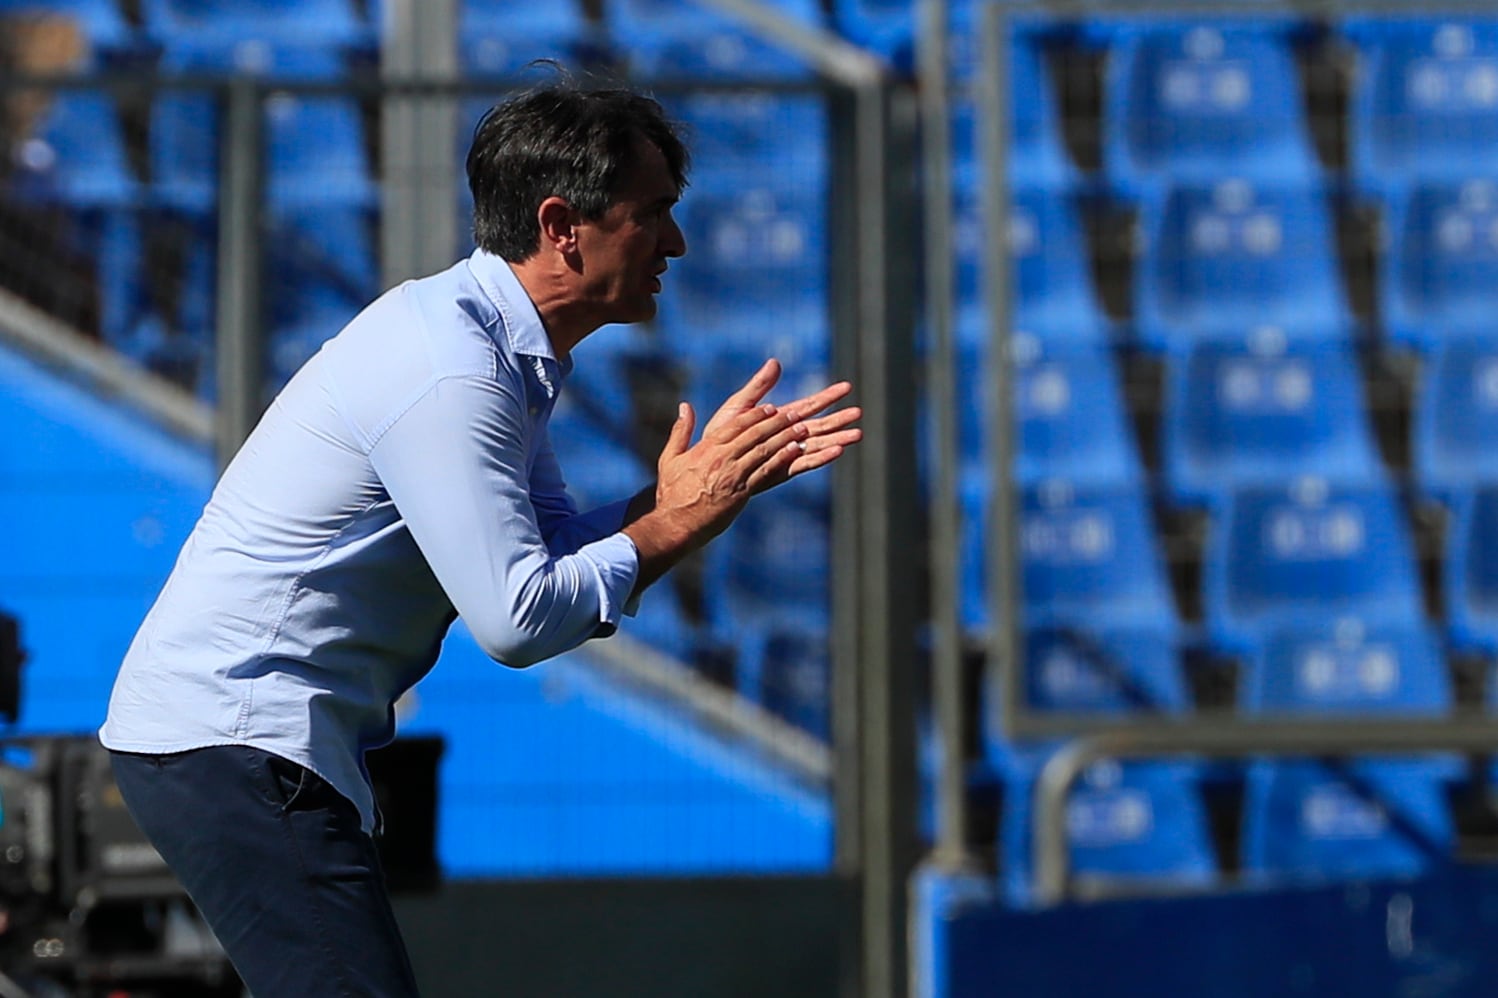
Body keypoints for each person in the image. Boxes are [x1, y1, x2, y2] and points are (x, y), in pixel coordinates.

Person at [99, 78, 861, 997]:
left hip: (240, 741)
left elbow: (545, 552)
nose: (675, 243)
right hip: (237, 738)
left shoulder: (490, 347)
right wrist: (677, 520)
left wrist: (678, 502)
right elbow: (517, 619)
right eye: (652, 213)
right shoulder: (454, 368)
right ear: (561, 224)